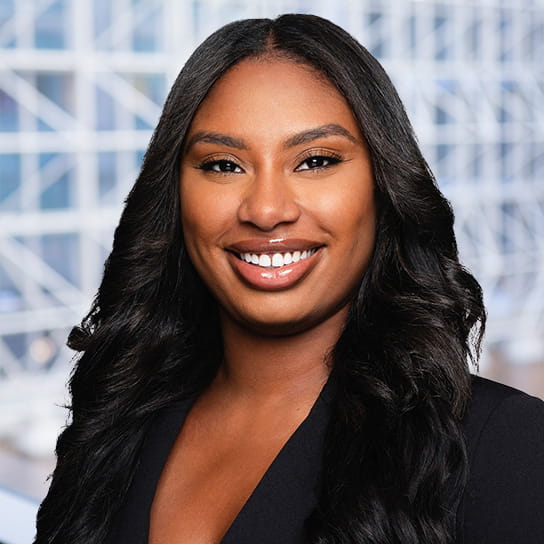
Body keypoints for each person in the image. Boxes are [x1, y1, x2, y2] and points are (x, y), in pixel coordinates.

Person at [34, 14, 544, 544]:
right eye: (224, 165)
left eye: (315, 161)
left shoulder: (510, 447)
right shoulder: (115, 420)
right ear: (176, 195)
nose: (266, 210)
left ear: (384, 186)